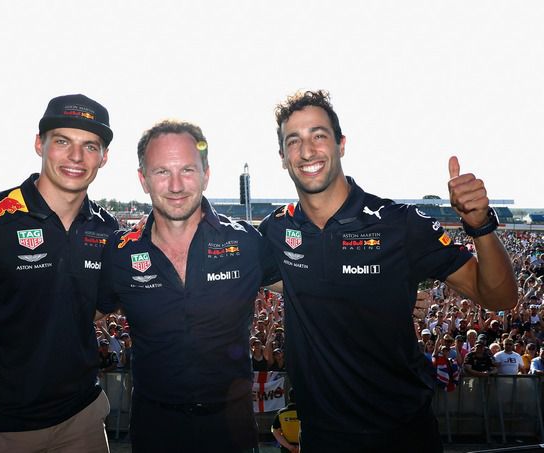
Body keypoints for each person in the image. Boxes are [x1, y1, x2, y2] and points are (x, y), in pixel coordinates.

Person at [259, 90, 518, 452]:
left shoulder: (401, 225)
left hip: (403, 436)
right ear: (283, 158)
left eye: (318, 135)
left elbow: (500, 297)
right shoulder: (273, 231)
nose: (307, 151)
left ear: (341, 144)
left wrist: (481, 225)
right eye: (293, 141)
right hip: (321, 438)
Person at [0, 94, 118, 453]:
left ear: (103, 157)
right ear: (39, 144)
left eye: (90, 146)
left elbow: (90, 308)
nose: (76, 156)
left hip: (83, 420)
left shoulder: (108, 230)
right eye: (63, 141)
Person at [98, 120, 278, 452]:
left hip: (231, 430)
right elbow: (77, 315)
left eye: (187, 170)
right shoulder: (119, 253)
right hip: (155, 429)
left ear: (206, 175)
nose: (176, 185)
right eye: (162, 172)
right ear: (143, 179)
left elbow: (311, 292)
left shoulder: (247, 243)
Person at [271, 388, 300, 453]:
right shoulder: (308, 413)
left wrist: (289, 447)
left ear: (289, 398)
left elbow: (275, 431)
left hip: (287, 449)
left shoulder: (281, 413)